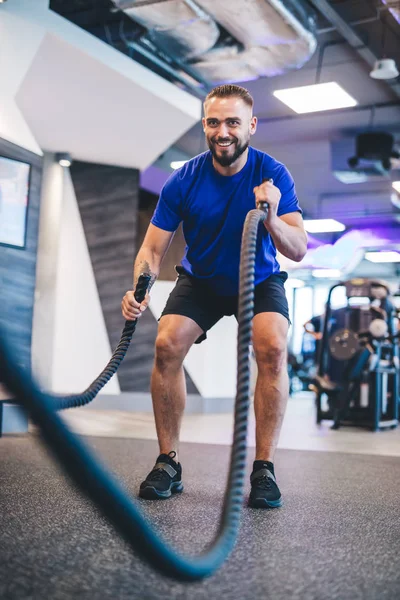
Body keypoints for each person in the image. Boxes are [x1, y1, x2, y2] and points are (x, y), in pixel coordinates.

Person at [121, 84, 307, 509]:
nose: (222, 131)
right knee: (166, 345)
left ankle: (264, 468)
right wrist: (140, 286)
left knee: (273, 348)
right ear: (205, 125)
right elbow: (152, 250)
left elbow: (297, 248)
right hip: (202, 279)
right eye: (213, 122)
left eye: (232, 122)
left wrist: (273, 216)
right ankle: (168, 462)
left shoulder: (273, 173)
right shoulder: (183, 179)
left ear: (251, 126)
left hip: (258, 279)